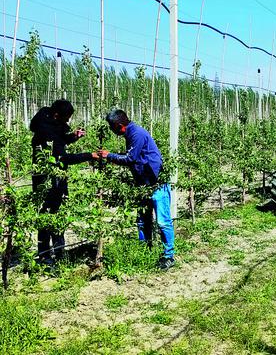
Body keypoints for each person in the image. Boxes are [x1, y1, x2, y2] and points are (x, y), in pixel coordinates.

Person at [98, 109, 175, 270]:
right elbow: (135, 156)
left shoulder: (136, 134)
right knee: (142, 221)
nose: (111, 131)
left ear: (119, 126)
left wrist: (109, 156)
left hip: (156, 184)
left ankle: (169, 256)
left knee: (163, 221)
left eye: (112, 128)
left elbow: (130, 158)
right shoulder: (131, 134)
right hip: (143, 185)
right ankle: (144, 250)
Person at [30, 99, 98, 265]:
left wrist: (73, 137)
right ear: (56, 115)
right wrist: (89, 155)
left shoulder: (48, 121)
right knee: (48, 214)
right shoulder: (46, 131)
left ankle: (59, 252)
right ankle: (46, 256)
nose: (68, 121)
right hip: (49, 178)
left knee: (54, 213)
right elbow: (63, 158)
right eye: (66, 117)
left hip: (50, 176)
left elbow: (60, 142)